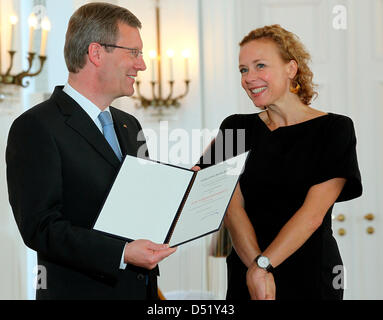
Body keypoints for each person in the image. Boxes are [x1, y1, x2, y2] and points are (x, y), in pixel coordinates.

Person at [6, 3, 176, 300]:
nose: (142, 65)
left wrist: (181, 194)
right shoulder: (35, 126)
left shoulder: (129, 124)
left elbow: (140, 204)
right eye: (133, 52)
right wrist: (122, 252)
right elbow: (41, 227)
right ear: (96, 53)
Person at [198, 24, 362, 300]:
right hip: (247, 268)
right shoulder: (234, 127)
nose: (250, 78)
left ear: (291, 68)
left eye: (260, 65)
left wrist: (264, 265)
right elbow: (230, 208)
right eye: (243, 70)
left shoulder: (335, 129)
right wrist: (256, 269)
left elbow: (312, 216)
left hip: (311, 271)